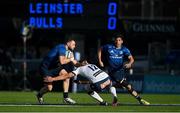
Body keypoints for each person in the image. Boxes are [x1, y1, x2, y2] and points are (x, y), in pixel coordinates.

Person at [98, 34, 150, 105]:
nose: (117, 41)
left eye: (119, 40)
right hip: (112, 71)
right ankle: (140, 100)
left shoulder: (124, 49)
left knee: (125, 86)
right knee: (127, 86)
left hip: (120, 71)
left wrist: (129, 64)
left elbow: (131, 59)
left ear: (122, 41)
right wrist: (100, 60)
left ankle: (115, 98)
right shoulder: (109, 47)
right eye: (116, 40)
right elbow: (100, 49)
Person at [44, 61, 118, 106]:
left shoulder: (79, 69)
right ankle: (114, 95)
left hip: (98, 83)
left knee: (87, 88)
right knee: (110, 86)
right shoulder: (92, 65)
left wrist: (53, 79)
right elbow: (94, 79)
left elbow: (67, 76)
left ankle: (102, 102)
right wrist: (81, 82)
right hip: (106, 77)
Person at [36, 38, 78, 104]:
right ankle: (39, 95)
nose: (74, 46)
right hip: (46, 67)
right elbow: (62, 61)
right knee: (49, 88)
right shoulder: (62, 47)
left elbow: (75, 63)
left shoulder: (69, 52)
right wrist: (70, 59)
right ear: (68, 43)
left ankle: (66, 98)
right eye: (73, 44)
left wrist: (83, 64)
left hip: (55, 67)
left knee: (66, 76)